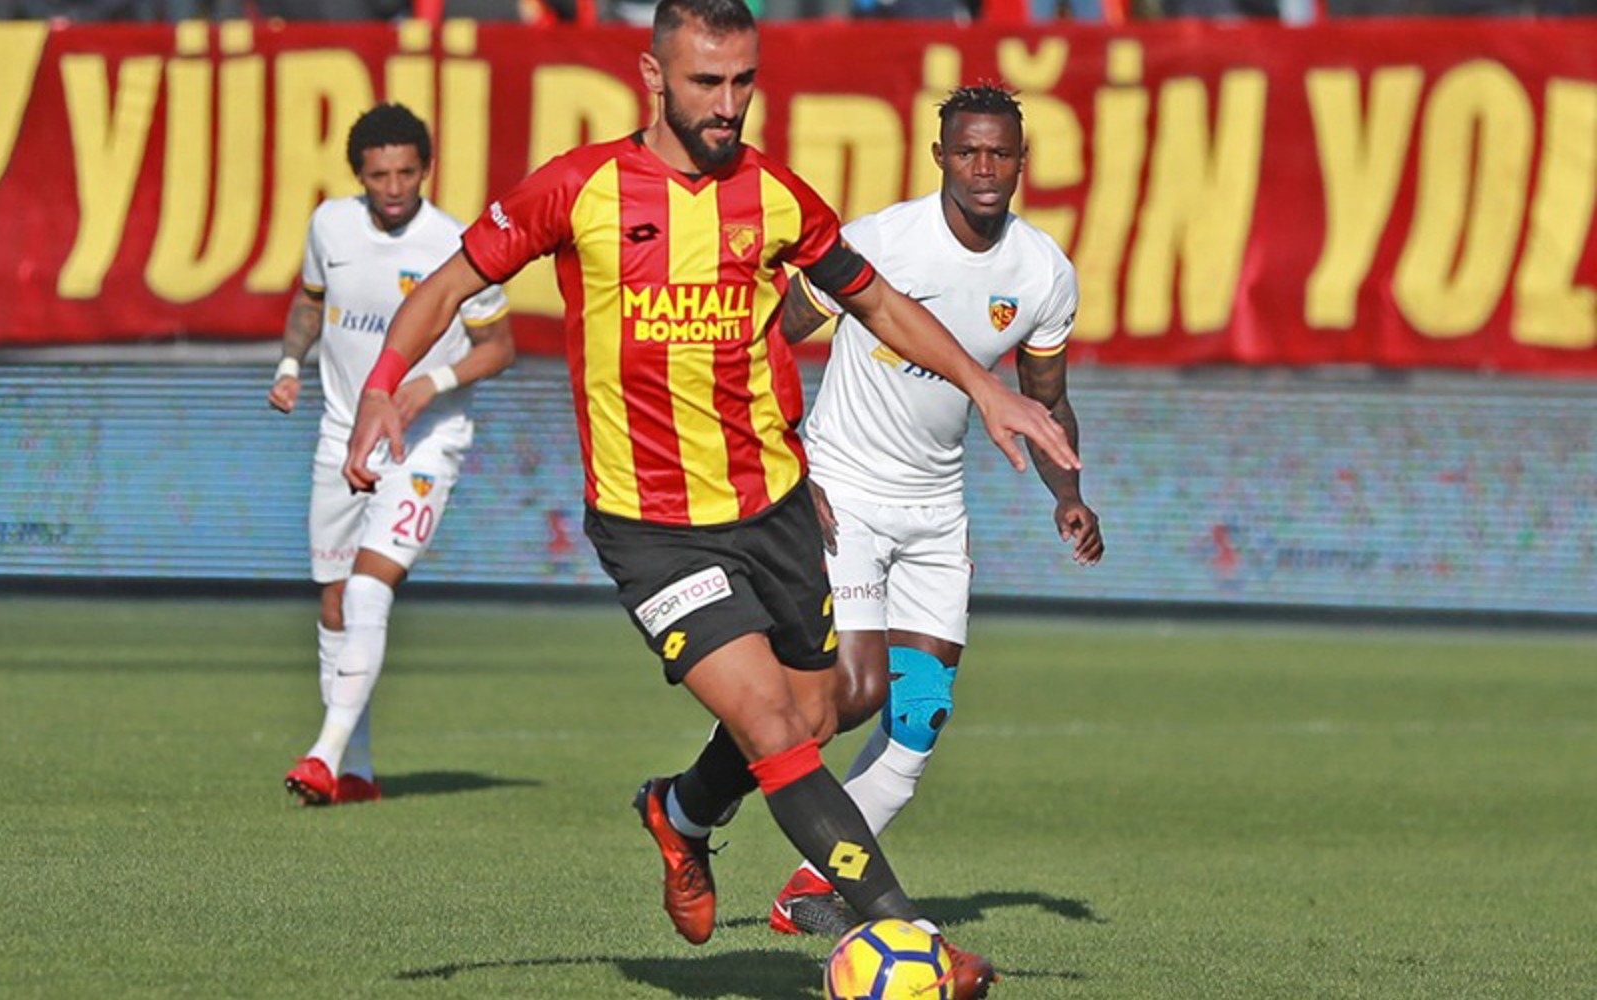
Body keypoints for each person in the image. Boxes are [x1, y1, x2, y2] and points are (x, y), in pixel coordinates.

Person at [341, 3, 1078, 995]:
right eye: (706, 83)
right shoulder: (580, 189)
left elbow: (873, 301)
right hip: (652, 527)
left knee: (819, 711)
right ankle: (909, 939)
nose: (728, 105)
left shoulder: (775, 196)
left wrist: (986, 389)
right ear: (653, 76)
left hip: (771, 505)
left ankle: (680, 813)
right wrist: (383, 385)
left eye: (743, 82)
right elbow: (447, 283)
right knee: (773, 726)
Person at [763, 83, 1105, 936]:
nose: (985, 168)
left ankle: (807, 889)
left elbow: (1044, 401)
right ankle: (720, 771)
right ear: (940, 157)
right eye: (969, 152)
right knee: (852, 691)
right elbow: (767, 336)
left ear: (1023, 163)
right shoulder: (879, 243)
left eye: (1001, 153)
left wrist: (1068, 494)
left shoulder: (1042, 273)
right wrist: (786, 455)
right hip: (844, 490)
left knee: (917, 723)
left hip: (935, 510)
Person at [270, 103, 514, 807]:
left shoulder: (458, 245)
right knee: (335, 601)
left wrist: (429, 385)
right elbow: (310, 303)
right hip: (343, 436)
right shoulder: (330, 226)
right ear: (359, 175)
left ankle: (322, 754)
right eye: (380, 175)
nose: (395, 187)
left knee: (370, 588)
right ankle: (357, 772)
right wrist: (289, 365)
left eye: (407, 172)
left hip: (426, 443)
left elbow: (499, 347)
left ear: (427, 169)